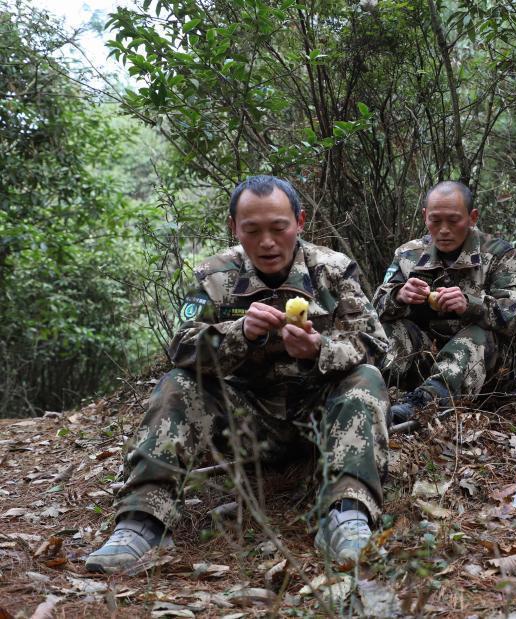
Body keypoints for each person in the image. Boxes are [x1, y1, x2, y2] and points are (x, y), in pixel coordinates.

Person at [85, 176, 390, 573]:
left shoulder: (333, 270)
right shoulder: (213, 276)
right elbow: (181, 348)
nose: (267, 242)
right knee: (176, 385)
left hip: (322, 421)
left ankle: (346, 516)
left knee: (365, 378)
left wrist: (321, 350)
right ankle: (142, 521)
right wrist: (239, 334)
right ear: (233, 227)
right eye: (252, 230)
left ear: (299, 221)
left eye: (278, 228)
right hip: (245, 425)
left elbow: (377, 346)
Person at [373, 181, 516, 427]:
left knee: (478, 333)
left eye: (454, 220)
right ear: (425, 216)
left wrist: (472, 305)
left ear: (472, 217)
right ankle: (368, 394)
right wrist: (399, 296)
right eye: (435, 221)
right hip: (426, 359)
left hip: (485, 368)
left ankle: (422, 406)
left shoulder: (498, 254)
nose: (444, 230)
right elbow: (374, 310)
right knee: (387, 330)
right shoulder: (408, 255)